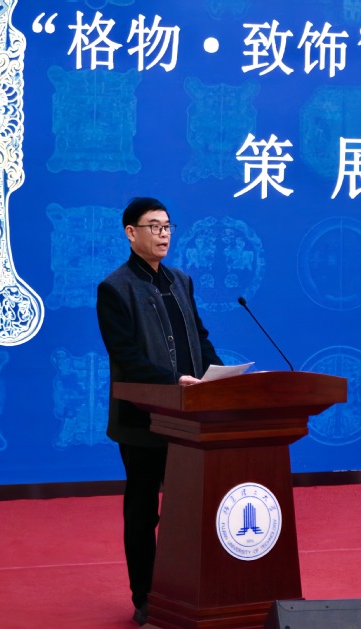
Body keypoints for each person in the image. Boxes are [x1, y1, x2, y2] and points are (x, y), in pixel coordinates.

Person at [96, 197, 222, 626]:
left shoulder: (181, 281)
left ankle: (188, 590)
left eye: (167, 226)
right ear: (131, 233)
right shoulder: (115, 288)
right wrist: (173, 382)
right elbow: (126, 356)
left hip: (190, 417)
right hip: (142, 419)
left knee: (189, 509)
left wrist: (219, 375)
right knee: (143, 510)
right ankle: (145, 597)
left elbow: (199, 339)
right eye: (154, 226)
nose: (163, 233)